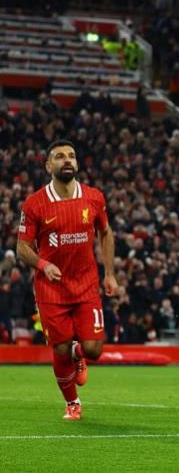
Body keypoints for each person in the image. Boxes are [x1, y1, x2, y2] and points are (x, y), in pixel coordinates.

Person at [16, 139, 117, 420]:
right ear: (49, 166)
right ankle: (72, 402)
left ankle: (80, 352)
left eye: (71, 155)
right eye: (60, 157)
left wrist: (109, 274)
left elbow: (106, 233)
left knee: (94, 349)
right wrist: (43, 264)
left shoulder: (94, 197)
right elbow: (22, 247)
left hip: (86, 284)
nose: (67, 160)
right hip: (51, 288)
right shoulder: (35, 203)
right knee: (60, 349)